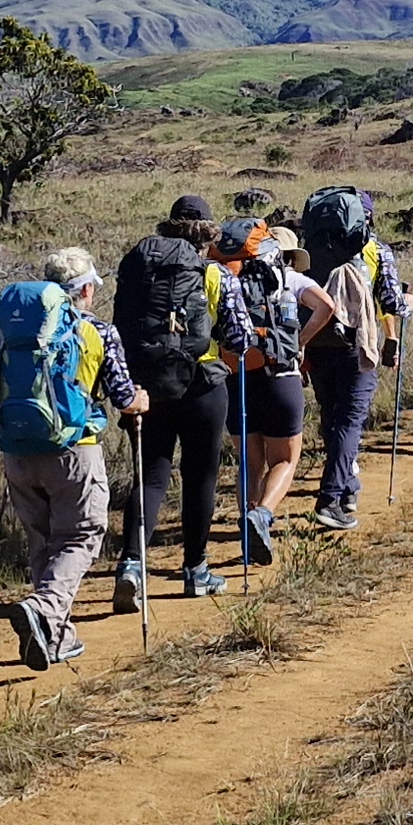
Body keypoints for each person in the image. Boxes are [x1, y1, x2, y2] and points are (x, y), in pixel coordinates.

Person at [0, 246, 137, 666]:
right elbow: (123, 396)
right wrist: (140, 402)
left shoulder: (6, 332)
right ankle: (46, 608)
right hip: (75, 448)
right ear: (85, 289)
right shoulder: (97, 332)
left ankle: (55, 635)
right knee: (81, 535)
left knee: (42, 539)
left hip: (16, 448)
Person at [120, 196, 243, 598]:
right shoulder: (215, 275)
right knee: (200, 477)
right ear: (208, 234)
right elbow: (237, 337)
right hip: (203, 384)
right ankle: (196, 570)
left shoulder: (141, 269)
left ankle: (132, 564)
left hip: (149, 385)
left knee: (151, 476)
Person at [215, 217, 338, 561]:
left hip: (236, 376)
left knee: (250, 463)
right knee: (284, 459)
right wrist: (299, 343)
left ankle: (247, 525)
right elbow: (327, 307)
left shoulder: (226, 278)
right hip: (281, 376)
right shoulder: (289, 278)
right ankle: (263, 514)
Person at [301, 194, 409, 532]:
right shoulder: (375, 250)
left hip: (315, 342)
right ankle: (331, 499)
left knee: (332, 417)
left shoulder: (309, 250)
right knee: (350, 422)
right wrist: (406, 303)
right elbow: (392, 301)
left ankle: (348, 489)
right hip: (355, 345)